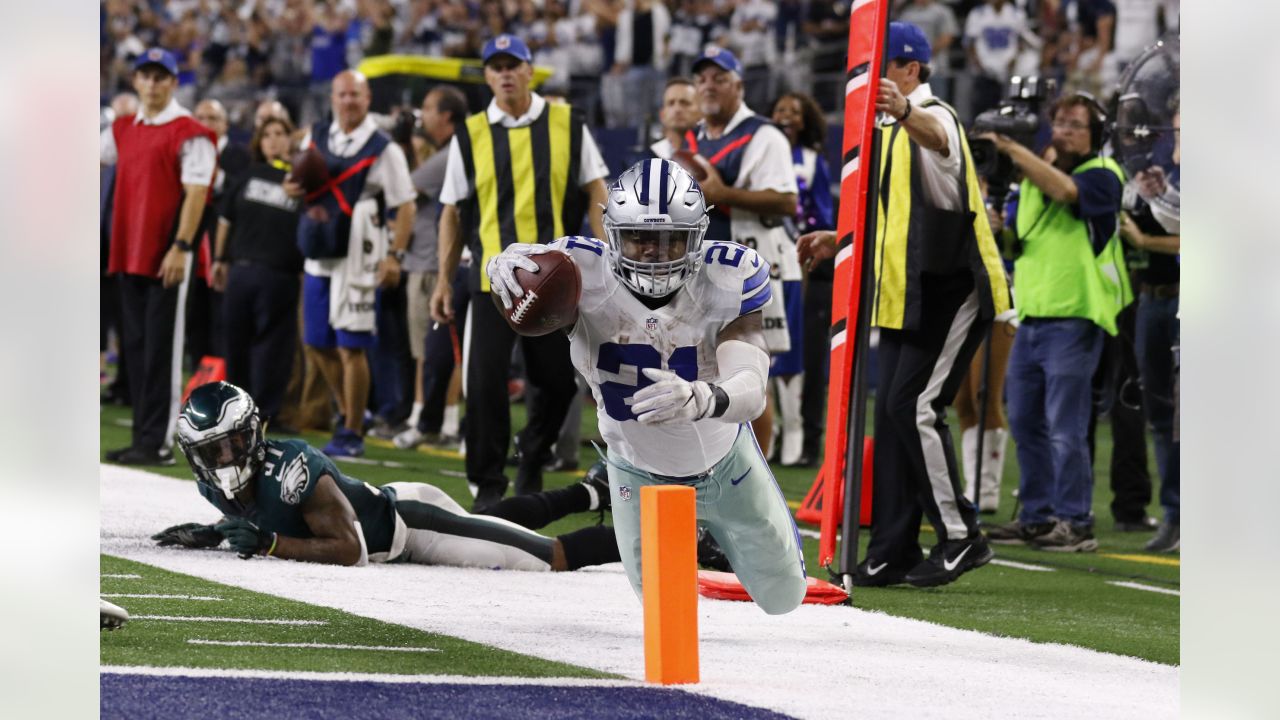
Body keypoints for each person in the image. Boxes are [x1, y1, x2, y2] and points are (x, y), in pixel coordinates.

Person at [487, 159, 807, 615]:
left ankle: (713, 529)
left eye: (671, 238)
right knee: (666, 613)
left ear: (698, 235)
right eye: (640, 238)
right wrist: (503, 275)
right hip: (636, 471)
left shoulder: (729, 274)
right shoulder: (577, 271)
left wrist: (705, 397)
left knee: (783, 598)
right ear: (612, 233)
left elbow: (752, 388)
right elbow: (521, 310)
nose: (655, 253)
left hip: (726, 460)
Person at [796, 23, 1011, 588]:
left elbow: (941, 139)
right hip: (905, 291)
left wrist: (903, 111)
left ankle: (962, 535)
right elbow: (887, 218)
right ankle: (893, 547)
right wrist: (835, 238)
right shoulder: (884, 130)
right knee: (890, 415)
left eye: (879, 68)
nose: (868, 80)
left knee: (914, 409)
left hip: (951, 286)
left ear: (910, 70)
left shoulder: (931, 113)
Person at [157, 382, 617, 571]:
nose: (221, 459)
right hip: (393, 509)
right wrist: (219, 531)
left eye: (230, 444)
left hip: (413, 524)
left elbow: (351, 548)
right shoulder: (210, 484)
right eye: (209, 451)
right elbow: (263, 516)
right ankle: (590, 492)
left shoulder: (292, 466)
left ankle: (676, 541)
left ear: (252, 434)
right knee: (494, 522)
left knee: (549, 555)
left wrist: (270, 545)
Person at [430, 34, 609, 511]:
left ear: (531, 71)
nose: (505, 73)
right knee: (484, 385)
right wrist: (443, 279)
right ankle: (487, 486)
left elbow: (596, 189)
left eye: (514, 65)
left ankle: (532, 456)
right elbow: (451, 210)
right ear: (487, 76)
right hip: (491, 281)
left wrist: (609, 257)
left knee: (555, 383)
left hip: (553, 280)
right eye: (496, 66)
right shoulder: (469, 133)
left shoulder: (568, 123)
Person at [977, 93, 1131, 552]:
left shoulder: (1103, 174)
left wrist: (1011, 150)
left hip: (1077, 316)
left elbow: (1068, 193)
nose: (1063, 132)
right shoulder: (1030, 182)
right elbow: (1016, 245)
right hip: (1032, 315)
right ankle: (1038, 517)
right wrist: (996, 224)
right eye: (1059, 123)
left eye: (1075, 125)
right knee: (1025, 422)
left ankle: (1075, 521)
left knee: (1066, 426)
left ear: (1096, 135)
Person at [286, 69, 417, 458]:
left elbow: (405, 204)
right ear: (332, 96)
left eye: (355, 95)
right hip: (319, 246)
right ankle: (349, 412)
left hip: (360, 253)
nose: (348, 102)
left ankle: (353, 431)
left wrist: (395, 255)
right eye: (342, 94)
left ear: (368, 98)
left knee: (351, 345)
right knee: (317, 342)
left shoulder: (384, 147)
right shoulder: (317, 135)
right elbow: (301, 183)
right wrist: (291, 187)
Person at [101, 48, 217, 466]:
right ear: (135, 81)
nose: (152, 83)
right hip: (127, 252)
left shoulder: (190, 132)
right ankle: (141, 439)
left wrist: (182, 246)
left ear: (174, 82)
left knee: (161, 352)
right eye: (145, 76)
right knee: (134, 348)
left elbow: (198, 194)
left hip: (165, 254)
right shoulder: (122, 128)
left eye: (160, 77)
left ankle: (159, 443)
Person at [683, 46, 800, 461]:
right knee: (701, 370)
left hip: (746, 271)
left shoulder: (763, 134)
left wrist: (721, 194)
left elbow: (786, 201)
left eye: (719, 77)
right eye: (702, 78)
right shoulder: (693, 137)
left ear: (739, 85)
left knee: (748, 371)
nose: (708, 85)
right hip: (697, 272)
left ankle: (758, 469)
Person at [211, 116, 305, 429]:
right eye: (268, 135)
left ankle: (266, 414)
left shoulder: (302, 179)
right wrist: (219, 259)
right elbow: (225, 219)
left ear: (290, 140)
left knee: (275, 350)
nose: (274, 140)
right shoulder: (247, 175)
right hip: (241, 269)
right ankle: (236, 410)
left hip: (281, 273)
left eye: (280, 134)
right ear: (259, 142)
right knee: (236, 343)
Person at [394, 85, 469, 450]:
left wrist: (405, 149)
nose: (422, 115)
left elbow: (402, 191)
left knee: (432, 349)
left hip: (429, 261)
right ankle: (436, 420)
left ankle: (429, 421)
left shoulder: (451, 152)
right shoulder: (452, 151)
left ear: (447, 116)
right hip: (432, 259)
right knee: (435, 349)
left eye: (427, 107)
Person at [1119, 110, 1180, 552]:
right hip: (1150, 299)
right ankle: (1174, 516)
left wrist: (1143, 241)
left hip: (1185, 296)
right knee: (1160, 414)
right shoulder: (1152, 171)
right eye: (1175, 126)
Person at [771, 91, 833, 467]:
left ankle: (807, 437)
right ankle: (777, 434)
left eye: (794, 111)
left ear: (806, 120)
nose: (786, 116)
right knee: (770, 352)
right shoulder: (758, 155)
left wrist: (803, 241)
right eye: (780, 109)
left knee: (806, 354)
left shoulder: (812, 162)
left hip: (806, 267)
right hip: (768, 261)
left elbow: (823, 215)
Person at [649, 77, 699, 159]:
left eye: (685, 103)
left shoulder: (709, 153)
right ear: (662, 114)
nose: (677, 109)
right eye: (671, 103)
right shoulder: (649, 158)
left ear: (700, 113)